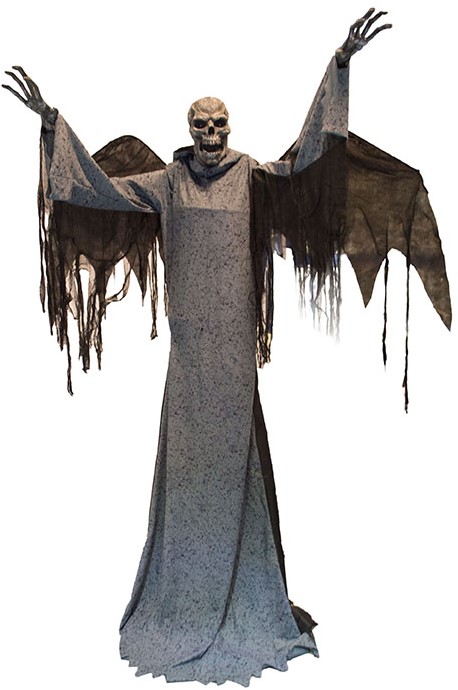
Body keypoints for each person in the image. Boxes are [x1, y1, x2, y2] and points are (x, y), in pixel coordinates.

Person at [4, 8, 448, 687]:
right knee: (188, 462)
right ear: (189, 130)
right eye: (201, 126)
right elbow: (92, 185)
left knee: (236, 457)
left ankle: (245, 593)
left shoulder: (254, 178)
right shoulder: (165, 183)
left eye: (219, 125)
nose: (211, 136)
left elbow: (312, 157)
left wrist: (339, 66)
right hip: (189, 353)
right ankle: (184, 594)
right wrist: (51, 123)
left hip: (235, 349)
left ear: (229, 129)